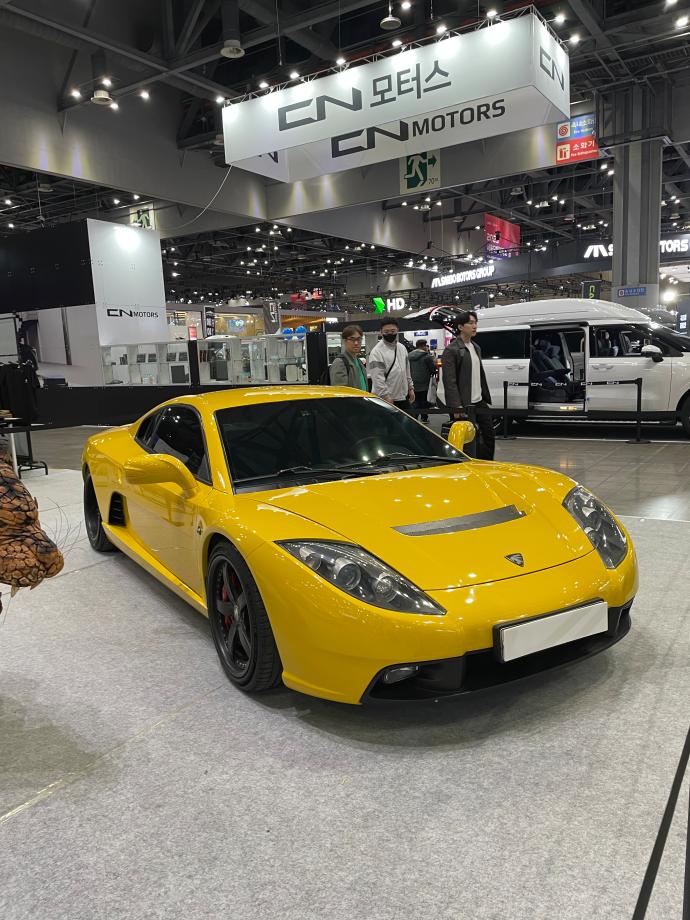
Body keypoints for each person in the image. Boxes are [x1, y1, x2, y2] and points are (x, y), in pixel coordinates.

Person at [441, 309, 495, 460]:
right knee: (467, 441)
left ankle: (486, 465)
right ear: (460, 327)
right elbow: (449, 381)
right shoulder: (451, 350)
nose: (474, 326)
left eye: (475, 323)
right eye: (470, 323)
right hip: (463, 404)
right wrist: (456, 406)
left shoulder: (476, 347)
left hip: (479, 401)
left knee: (489, 435)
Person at [368, 316, 415, 413]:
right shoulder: (376, 352)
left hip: (403, 397)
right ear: (381, 332)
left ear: (397, 330)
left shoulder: (402, 348)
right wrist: (385, 396)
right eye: (386, 331)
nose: (390, 334)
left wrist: (410, 388)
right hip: (386, 399)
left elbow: (407, 371)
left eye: (393, 331)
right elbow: (377, 378)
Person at [329, 325, 367, 390]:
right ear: (345, 341)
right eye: (352, 339)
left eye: (359, 339)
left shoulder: (359, 362)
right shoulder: (340, 363)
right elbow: (340, 391)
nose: (356, 343)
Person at [408, 339, 436, 423]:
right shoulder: (427, 357)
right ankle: (424, 418)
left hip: (412, 383)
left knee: (415, 400)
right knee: (424, 401)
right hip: (425, 383)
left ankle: (414, 417)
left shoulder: (409, 356)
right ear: (424, 346)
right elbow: (433, 369)